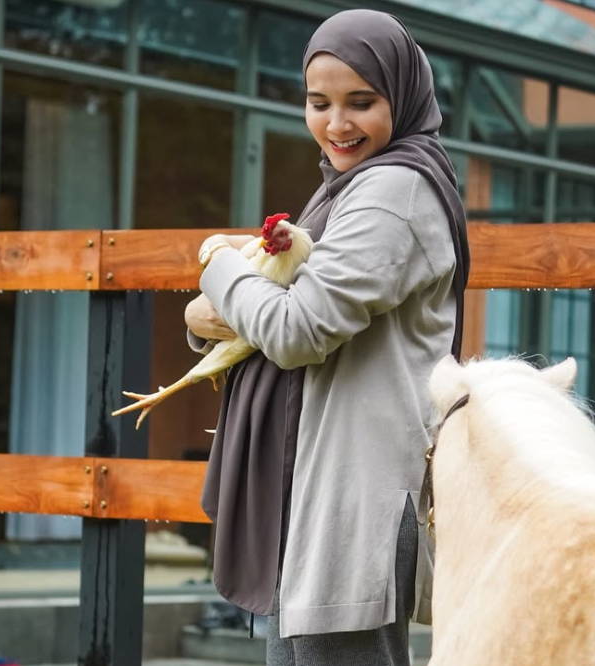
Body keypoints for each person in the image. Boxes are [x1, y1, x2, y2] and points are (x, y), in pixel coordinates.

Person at [183, 9, 470, 666]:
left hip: (352, 495)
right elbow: (280, 307)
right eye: (319, 103)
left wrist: (218, 262)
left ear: (403, 95)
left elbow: (294, 329)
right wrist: (208, 317)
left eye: (361, 103)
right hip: (315, 484)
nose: (337, 124)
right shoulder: (349, 190)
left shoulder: (395, 189)